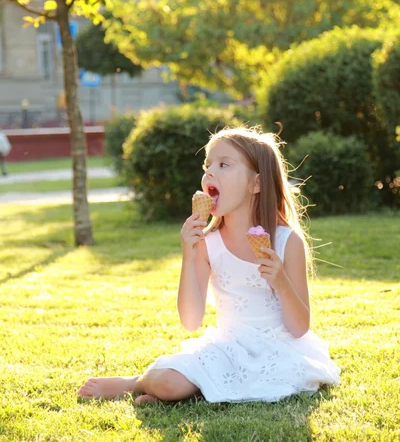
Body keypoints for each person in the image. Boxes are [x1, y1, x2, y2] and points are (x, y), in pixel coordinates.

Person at [78, 126, 340, 404]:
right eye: (207, 165)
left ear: (257, 184)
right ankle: (137, 383)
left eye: (224, 164)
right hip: (227, 348)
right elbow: (190, 322)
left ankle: (185, 394)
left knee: (277, 380)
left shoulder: (287, 242)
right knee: (168, 382)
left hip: (280, 350)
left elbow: (300, 327)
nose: (209, 173)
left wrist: (281, 283)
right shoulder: (208, 243)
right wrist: (189, 255)